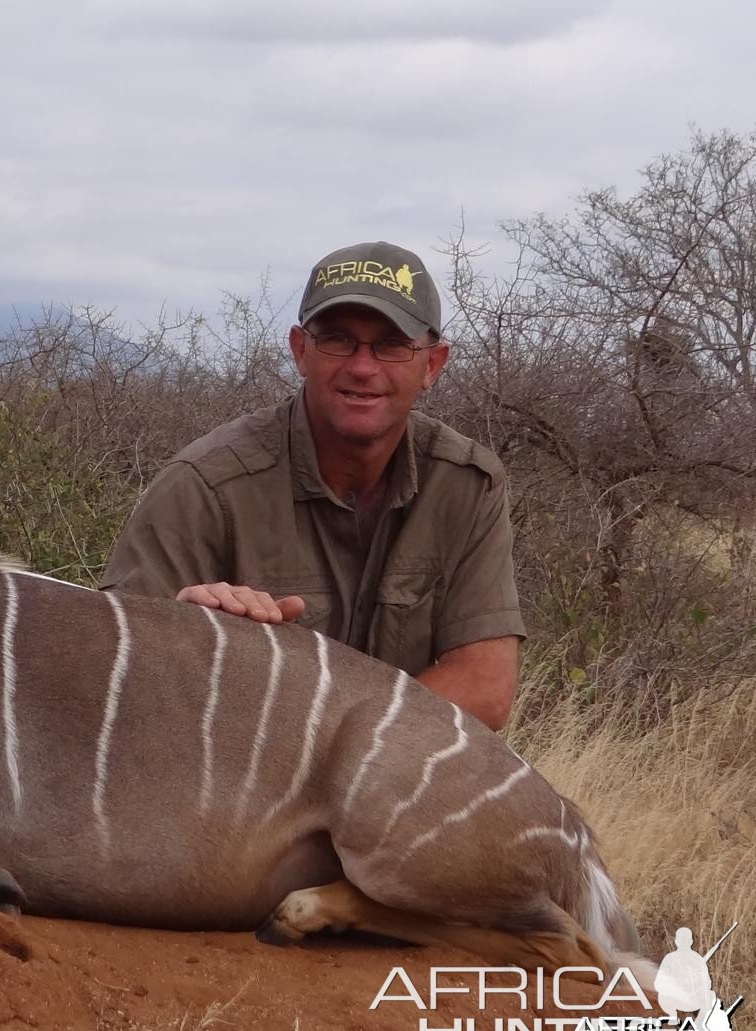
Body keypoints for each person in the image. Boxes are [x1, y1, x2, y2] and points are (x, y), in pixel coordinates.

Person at [101, 241, 523, 730]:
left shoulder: (468, 482)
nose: (362, 368)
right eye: (338, 340)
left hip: (393, 784)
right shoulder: (204, 486)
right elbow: (116, 683)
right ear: (301, 351)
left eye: (391, 345)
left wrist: (329, 749)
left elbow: (485, 688)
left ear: (432, 364)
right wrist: (183, 637)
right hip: (240, 791)